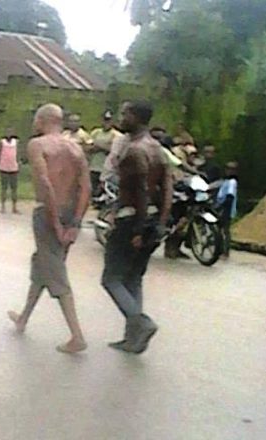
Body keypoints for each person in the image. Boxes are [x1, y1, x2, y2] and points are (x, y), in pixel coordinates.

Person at [8, 104, 90, 354]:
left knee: (55, 271)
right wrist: (75, 222)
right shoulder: (76, 148)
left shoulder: (38, 145)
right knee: (43, 264)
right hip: (70, 211)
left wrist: (55, 223)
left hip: (48, 211)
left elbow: (45, 183)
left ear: (43, 119)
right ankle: (23, 317)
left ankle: (77, 335)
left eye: (36, 119)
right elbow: (85, 188)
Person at [101, 100, 172, 354]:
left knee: (111, 278)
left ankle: (140, 323)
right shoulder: (158, 150)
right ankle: (133, 338)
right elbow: (167, 190)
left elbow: (140, 191)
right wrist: (160, 224)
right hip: (151, 219)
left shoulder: (134, 151)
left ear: (136, 117)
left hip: (132, 220)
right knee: (133, 278)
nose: (121, 118)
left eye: (125, 114)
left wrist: (138, 230)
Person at [90, 110, 122, 196]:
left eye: (109, 120)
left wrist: (100, 146)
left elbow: (114, 151)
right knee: (92, 193)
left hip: (108, 170)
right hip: (94, 167)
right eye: (105, 120)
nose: (106, 122)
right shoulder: (96, 132)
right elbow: (89, 147)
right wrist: (103, 146)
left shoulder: (117, 135)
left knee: (106, 194)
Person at [216, 161, 238, 259]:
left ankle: (225, 252)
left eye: (231, 169)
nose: (228, 171)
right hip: (223, 208)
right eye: (227, 169)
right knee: (220, 230)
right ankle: (220, 250)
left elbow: (230, 197)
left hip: (226, 210)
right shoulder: (226, 181)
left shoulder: (232, 182)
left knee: (225, 231)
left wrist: (222, 208)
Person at [0, 127, 20, 214]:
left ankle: (14, 207)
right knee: (4, 187)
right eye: (7, 131)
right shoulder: (2, 142)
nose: (9, 133)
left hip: (13, 166)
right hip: (3, 166)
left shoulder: (16, 142)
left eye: (10, 131)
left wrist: (19, 162)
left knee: (14, 188)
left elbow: (18, 153)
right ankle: (3, 207)